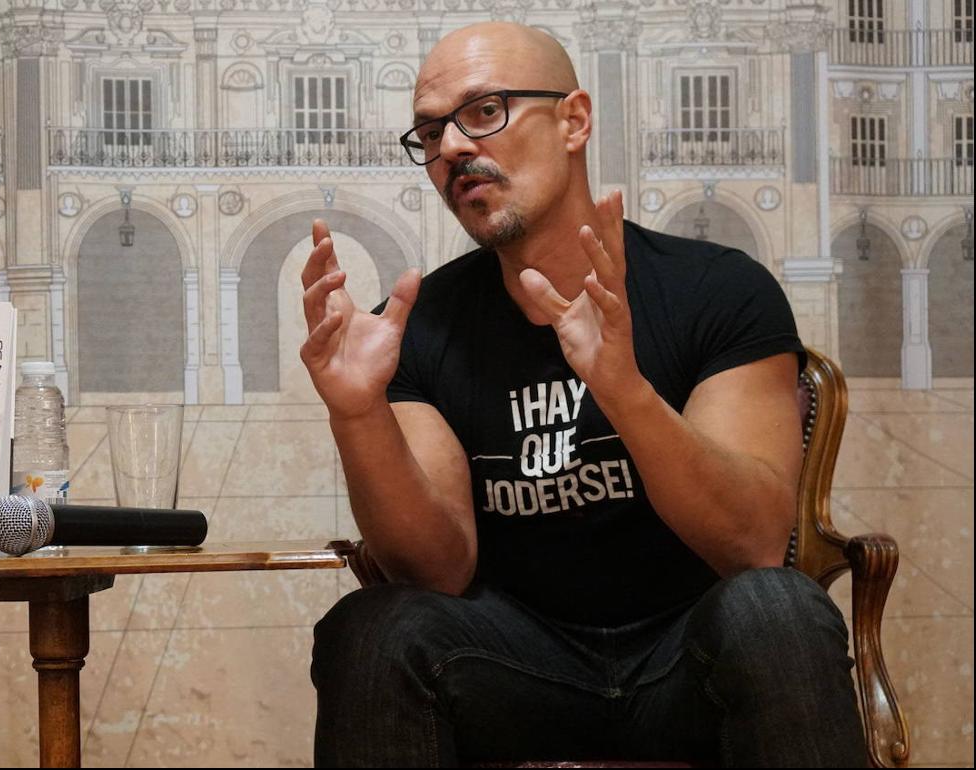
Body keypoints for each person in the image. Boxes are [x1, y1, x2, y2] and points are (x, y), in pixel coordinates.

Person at [300, 21, 865, 768]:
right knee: (372, 626)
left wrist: (623, 390)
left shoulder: (717, 290)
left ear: (574, 119)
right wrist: (358, 412)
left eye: (485, 111)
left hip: (689, 660)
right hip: (517, 667)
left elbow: (754, 543)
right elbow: (436, 569)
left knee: (778, 609)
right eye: (432, 131)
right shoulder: (419, 327)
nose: (454, 148)